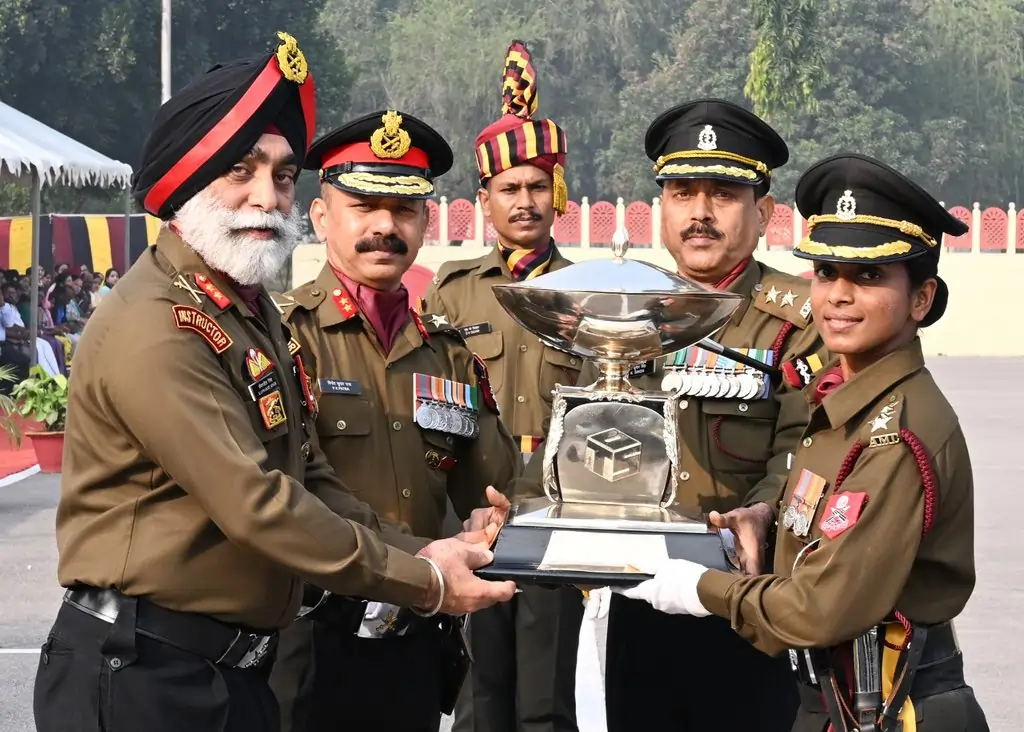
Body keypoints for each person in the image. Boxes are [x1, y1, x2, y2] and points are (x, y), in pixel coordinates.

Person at [32, 33, 514, 732]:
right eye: (241, 170)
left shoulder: (243, 310)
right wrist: (429, 583)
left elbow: (308, 476)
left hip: (227, 675)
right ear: (189, 178)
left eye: (284, 176)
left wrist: (424, 550)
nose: (268, 197)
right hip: (144, 676)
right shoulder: (159, 325)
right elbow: (258, 505)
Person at [615, 152, 990, 732]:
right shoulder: (843, 405)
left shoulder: (896, 433)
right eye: (825, 272)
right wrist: (763, 518)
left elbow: (819, 608)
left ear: (921, 298)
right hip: (838, 699)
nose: (839, 295)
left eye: (869, 277)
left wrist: (700, 588)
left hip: (891, 704)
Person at [564, 98, 829, 732]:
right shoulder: (623, 311)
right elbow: (579, 435)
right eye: (682, 192)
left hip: (747, 599)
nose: (701, 213)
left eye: (724, 194)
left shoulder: (797, 322)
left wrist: (762, 512)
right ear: (662, 210)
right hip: (641, 593)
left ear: (764, 213)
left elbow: (806, 447)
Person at [268, 110, 524, 732]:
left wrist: (497, 513)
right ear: (322, 217)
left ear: (425, 222)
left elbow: (494, 484)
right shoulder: (283, 339)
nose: (385, 226)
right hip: (305, 642)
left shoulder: (449, 352)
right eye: (363, 206)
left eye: (404, 209)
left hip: (414, 636)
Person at [421, 39, 584, 732]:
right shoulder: (452, 293)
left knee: (548, 701)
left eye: (536, 186)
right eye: (509, 189)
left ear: (559, 194)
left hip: (557, 514)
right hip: (473, 517)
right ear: (482, 200)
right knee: (480, 696)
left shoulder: (588, 295)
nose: (525, 202)